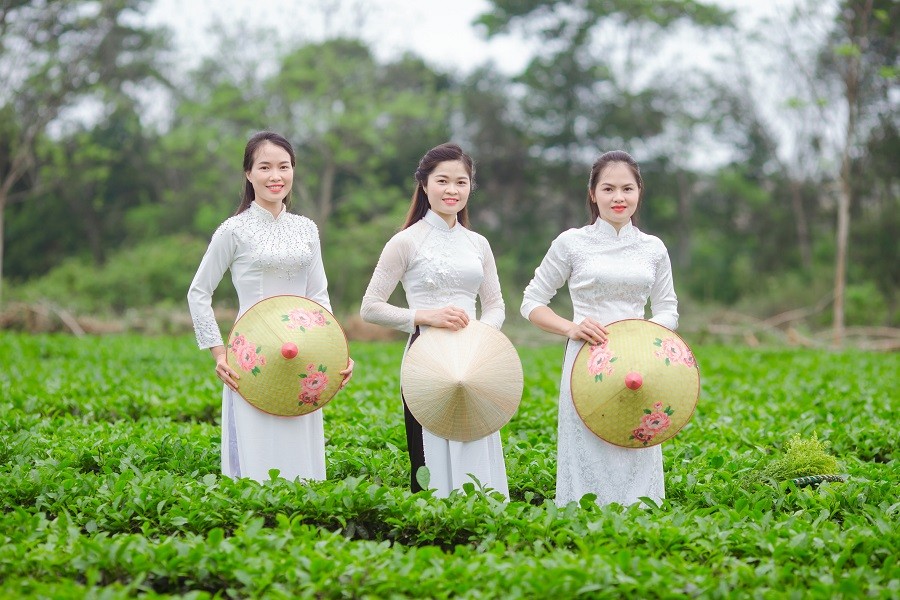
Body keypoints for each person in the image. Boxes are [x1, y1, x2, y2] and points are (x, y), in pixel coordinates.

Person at [187, 131, 353, 483]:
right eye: (265, 167)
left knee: (301, 455)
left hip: (305, 356)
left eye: (284, 166)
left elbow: (319, 296)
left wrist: (337, 353)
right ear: (248, 174)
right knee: (258, 455)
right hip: (252, 358)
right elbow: (198, 292)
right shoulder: (233, 231)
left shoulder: (307, 229)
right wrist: (219, 354)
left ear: (293, 170)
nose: (275, 176)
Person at [520, 150, 678, 507]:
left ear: (639, 191)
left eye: (627, 189)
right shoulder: (572, 243)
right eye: (608, 189)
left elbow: (668, 307)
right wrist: (572, 327)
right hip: (588, 359)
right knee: (588, 442)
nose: (618, 198)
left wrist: (643, 333)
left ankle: (640, 518)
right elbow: (531, 302)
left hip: (640, 361)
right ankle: (583, 516)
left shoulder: (653, 248)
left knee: (637, 438)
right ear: (592, 193)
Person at [360, 142, 509, 498]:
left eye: (461, 182)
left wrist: (479, 336)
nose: (452, 190)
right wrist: (425, 316)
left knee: (476, 445)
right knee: (432, 451)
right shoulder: (405, 242)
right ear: (424, 185)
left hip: (475, 358)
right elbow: (370, 306)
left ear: (470, 187)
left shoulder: (478, 244)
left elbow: (496, 305)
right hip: (426, 358)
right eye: (443, 181)